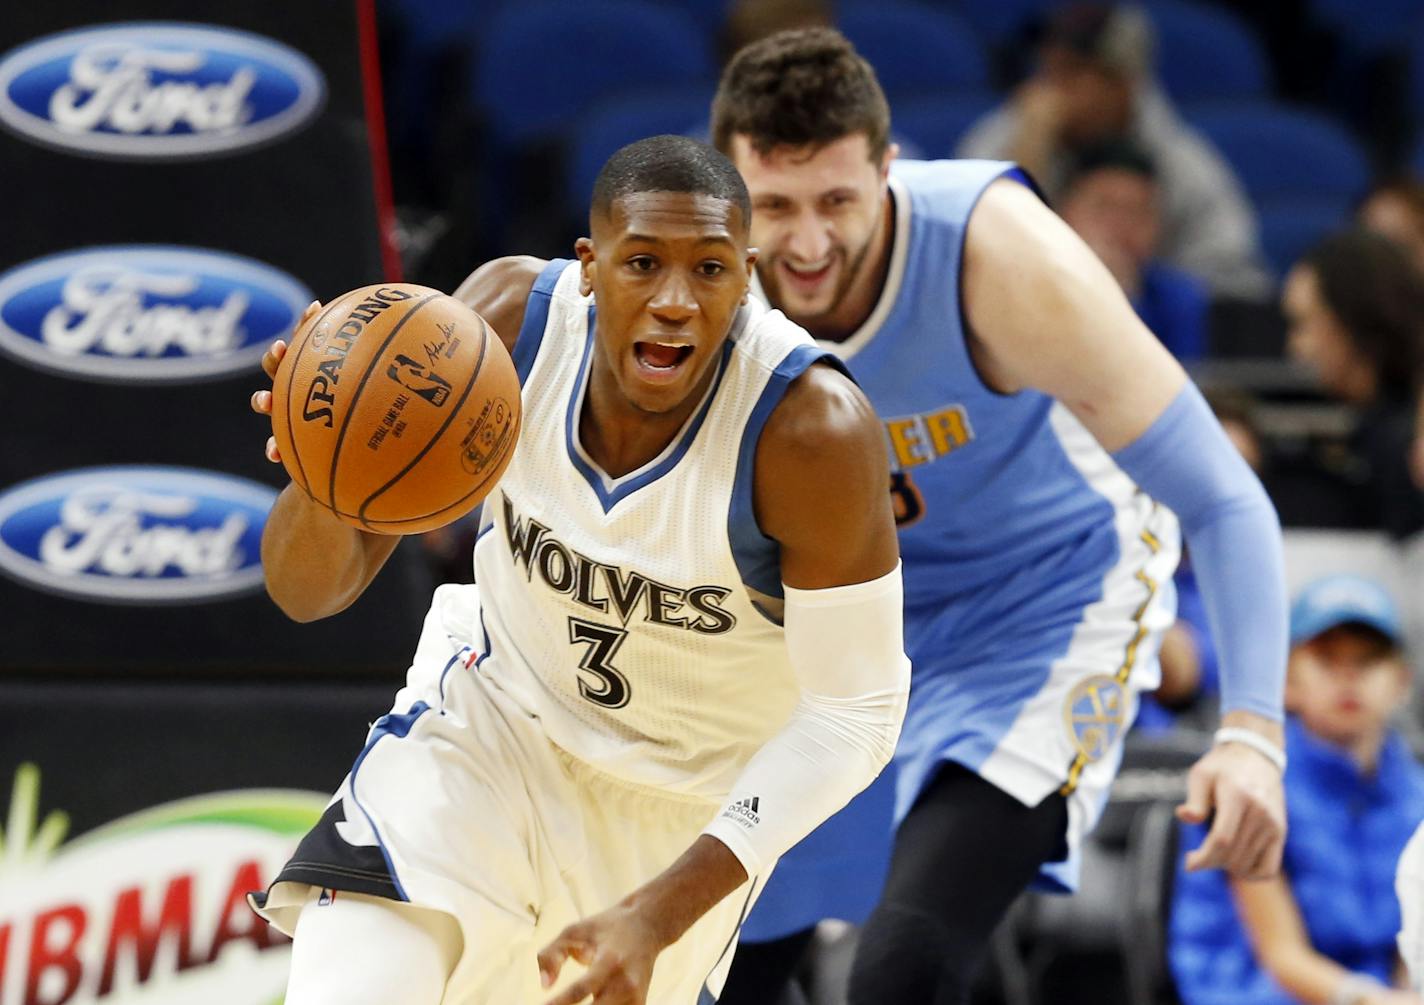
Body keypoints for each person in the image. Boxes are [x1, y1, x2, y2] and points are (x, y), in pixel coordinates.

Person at [245, 135, 910, 1004]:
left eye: (709, 270)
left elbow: (855, 714)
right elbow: (306, 593)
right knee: (352, 973)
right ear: (589, 268)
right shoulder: (508, 328)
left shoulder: (810, 430)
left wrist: (662, 911)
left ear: (746, 276)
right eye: (643, 263)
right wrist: (329, 462)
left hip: (677, 817)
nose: (675, 301)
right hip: (490, 731)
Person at [711, 28, 1289, 1004]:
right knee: (708, 965)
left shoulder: (1003, 258)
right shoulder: (694, 285)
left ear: (886, 173)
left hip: (1041, 606)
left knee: (900, 970)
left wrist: (1252, 736)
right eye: (773, 207)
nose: (806, 246)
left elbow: (1222, 495)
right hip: (842, 630)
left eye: (837, 202)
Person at [1171, 575, 1424, 1005]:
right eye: (1326, 658)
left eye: (1367, 659)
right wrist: (1373, 1000)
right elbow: (1281, 956)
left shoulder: (1414, 792)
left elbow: (1410, 949)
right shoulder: (1251, 784)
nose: (1348, 676)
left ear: (1401, 681)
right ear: (1286, 679)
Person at [957, 2, 1268, 300]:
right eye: (1047, 69)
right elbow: (964, 259)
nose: (1052, 91)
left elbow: (1237, 284)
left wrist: (1143, 288)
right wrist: (1027, 153)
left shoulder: (1181, 166)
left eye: (1073, 73)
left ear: (1124, 83)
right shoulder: (1003, 138)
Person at [1281, 228, 1424, 539]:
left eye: (1303, 324)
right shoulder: (1361, 432)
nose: (1294, 347)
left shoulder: (1409, 437)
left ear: (1350, 319)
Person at [1058, 139, 1210, 363]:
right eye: (1104, 207)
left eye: (1135, 212)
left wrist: (1125, 302)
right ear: (1064, 212)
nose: (1118, 225)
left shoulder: (1181, 299)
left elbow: (1181, 387)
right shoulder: (1027, 285)